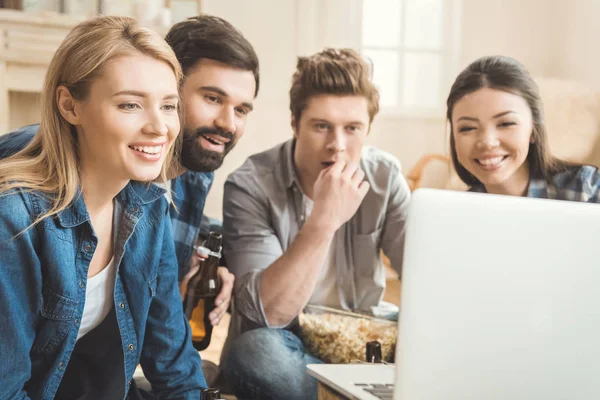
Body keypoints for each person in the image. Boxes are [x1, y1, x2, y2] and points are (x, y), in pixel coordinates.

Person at [0, 14, 260, 338]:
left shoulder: (189, 179)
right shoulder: (29, 169)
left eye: (241, 110)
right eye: (212, 98)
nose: (228, 124)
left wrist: (217, 262)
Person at [0, 16, 207, 399]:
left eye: (168, 106)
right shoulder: (14, 218)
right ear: (69, 106)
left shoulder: (148, 207)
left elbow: (175, 368)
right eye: (130, 105)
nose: (159, 127)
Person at [220, 48, 411, 399]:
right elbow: (269, 314)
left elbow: (421, 278)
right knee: (256, 355)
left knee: (443, 333)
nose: (337, 146)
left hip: (364, 335)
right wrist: (325, 220)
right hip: (287, 342)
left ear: (368, 127)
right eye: (321, 126)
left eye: (352, 128)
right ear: (294, 123)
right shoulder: (250, 184)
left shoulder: (385, 177)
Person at [447, 55, 600, 201]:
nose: (487, 142)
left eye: (506, 123)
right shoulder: (456, 213)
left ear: (533, 129)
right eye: (467, 128)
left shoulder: (587, 189)